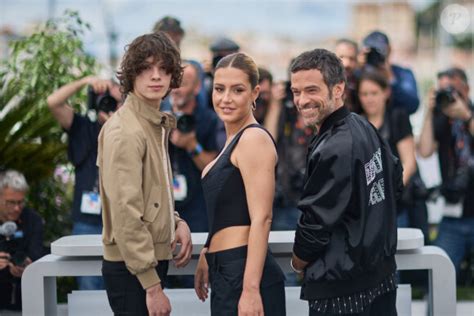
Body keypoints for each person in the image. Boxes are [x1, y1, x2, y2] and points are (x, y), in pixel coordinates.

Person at [290, 49, 401, 316]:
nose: (302, 100)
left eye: (312, 90)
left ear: (338, 88)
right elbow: (394, 179)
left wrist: (296, 263)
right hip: (380, 276)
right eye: (296, 91)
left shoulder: (334, 146)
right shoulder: (363, 125)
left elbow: (314, 225)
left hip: (342, 288)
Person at [97, 32, 193, 316]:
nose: (156, 76)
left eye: (164, 69)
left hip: (145, 263)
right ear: (132, 73)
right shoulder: (125, 131)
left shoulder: (151, 123)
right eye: (146, 68)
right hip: (134, 270)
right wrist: (152, 287)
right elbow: (126, 212)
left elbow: (149, 195)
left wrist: (176, 221)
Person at [194, 52, 286, 315]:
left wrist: (250, 289)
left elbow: (262, 218)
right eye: (219, 89)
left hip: (244, 274)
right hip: (225, 270)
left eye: (238, 90)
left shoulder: (253, 139)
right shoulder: (232, 143)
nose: (226, 98)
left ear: (255, 93)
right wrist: (207, 251)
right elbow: (229, 210)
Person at [47, 76, 121, 290]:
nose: (111, 107)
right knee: (89, 283)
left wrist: (115, 128)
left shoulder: (130, 132)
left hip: (122, 220)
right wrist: (84, 81)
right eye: (107, 100)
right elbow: (53, 102)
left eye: (118, 101)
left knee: (120, 284)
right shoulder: (82, 127)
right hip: (88, 222)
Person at [357, 70, 428, 239]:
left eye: (374, 93)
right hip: (366, 207)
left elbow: (409, 163)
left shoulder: (398, 117)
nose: (369, 99)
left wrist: (387, 193)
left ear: (386, 93)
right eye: (364, 94)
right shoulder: (356, 122)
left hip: (396, 204)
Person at [418, 67, 474, 278]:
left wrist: (467, 116)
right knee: (439, 277)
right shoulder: (441, 120)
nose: (448, 96)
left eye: (452, 90)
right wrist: (429, 112)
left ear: (466, 90)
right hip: (453, 217)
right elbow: (424, 151)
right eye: (443, 91)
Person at [169, 62, 218, 232]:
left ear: (197, 88)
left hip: (198, 210)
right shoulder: (159, 117)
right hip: (165, 208)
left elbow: (213, 170)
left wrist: (192, 145)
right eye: (172, 82)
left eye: (182, 84)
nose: (175, 89)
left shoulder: (210, 120)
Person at [0, 170, 44, 311]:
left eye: (20, 202)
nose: (17, 208)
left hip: (25, 301)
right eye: (11, 202)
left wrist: (27, 264)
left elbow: (37, 253)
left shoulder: (33, 220)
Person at [361, 30, 420, 115]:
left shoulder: (403, 74)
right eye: (371, 52)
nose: (375, 55)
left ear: (389, 49)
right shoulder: (360, 73)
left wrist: (391, 79)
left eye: (379, 50)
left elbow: (412, 105)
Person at [335, 38, 360, 113]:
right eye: (341, 57)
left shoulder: (361, 83)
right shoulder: (324, 84)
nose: (346, 63)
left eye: (351, 58)